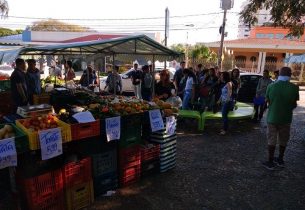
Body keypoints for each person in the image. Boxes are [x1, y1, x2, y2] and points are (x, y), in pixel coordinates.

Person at [262, 67, 299, 170]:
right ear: (289, 75)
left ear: (279, 75)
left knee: (271, 139)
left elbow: (267, 101)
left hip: (272, 117)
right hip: (286, 118)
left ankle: (270, 161)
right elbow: (294, 104)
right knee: (283, 139)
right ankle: (280, 159)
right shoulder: (294, 88)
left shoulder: (271, 86)